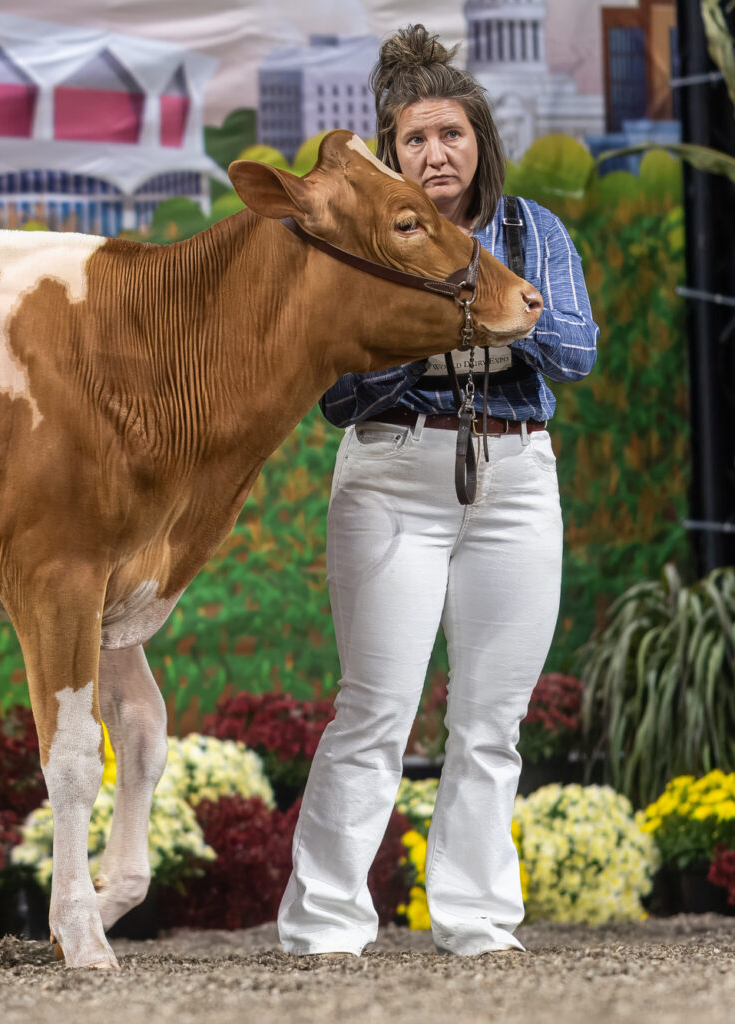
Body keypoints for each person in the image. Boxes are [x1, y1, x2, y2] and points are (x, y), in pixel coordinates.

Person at [276, 25, 598, 957]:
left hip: (517, 478)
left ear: (479, 141)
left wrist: (471, 313)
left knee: (491, 721)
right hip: (394, 475)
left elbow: (575, 350)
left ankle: (478, 921)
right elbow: (341, 396)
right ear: (392, 153)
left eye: (450, 133)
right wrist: (473, 324)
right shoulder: (363, 245)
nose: (435, 153)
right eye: (414, 139)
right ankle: (325, 926)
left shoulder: (532, 231)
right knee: (375, 709)